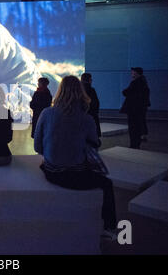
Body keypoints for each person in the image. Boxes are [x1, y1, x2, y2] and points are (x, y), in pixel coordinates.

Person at [34, 75, 117, 240]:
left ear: (60, 91)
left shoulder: (46, 113)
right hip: (75, 174)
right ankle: (109, 228)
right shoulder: (87, 118)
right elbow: (95, 144)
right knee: (107, 184)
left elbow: (37, 147)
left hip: (51, 171)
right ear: (81, 92)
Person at [120, 67, 150, 149]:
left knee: (133, 127)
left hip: (133, 109)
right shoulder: (143, 82)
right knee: (137, 126)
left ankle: (134, 145)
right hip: (139, 109)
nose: (132, 73)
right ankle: (136, 143)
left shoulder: (136, 83)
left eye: (133, 72)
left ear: (137, 73)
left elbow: (126, 92)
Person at [81, 73, 101, 137]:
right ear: (89, 80)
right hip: (92, 115)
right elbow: (95, 103)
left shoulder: (78, 90)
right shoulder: (91, 90)